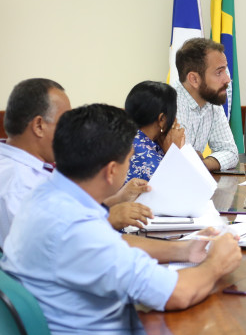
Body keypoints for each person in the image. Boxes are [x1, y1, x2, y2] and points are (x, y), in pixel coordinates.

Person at [0, 104, 242, 335]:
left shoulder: (47, 195)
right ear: (112, 171)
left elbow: (115, 246)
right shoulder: (78, 229)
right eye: (130, 158)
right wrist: (215, 265)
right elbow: (177, 293)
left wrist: (185, 250)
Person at [0, 79, 150, 248]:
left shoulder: (26, 166)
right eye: (64, 123)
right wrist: (107, 219)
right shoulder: (19, 185)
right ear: (39, 126)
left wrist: (117, 199)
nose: (70, 132)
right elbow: (49, 247)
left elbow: (67, 213)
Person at [173, 38, 239, 171]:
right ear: (194, 79)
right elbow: (179, 162)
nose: (227, 79)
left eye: (225, 71)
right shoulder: (171, 104)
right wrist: (196, 163)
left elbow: (230, 152)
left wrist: (204, 164)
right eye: (219, 72)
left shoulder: (211, 100)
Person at [124, 80, 186, 182]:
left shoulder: (123, 137)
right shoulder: (150, 159)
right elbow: (178, 188)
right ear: (162, 119)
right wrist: (173, 153)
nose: (175, 120)